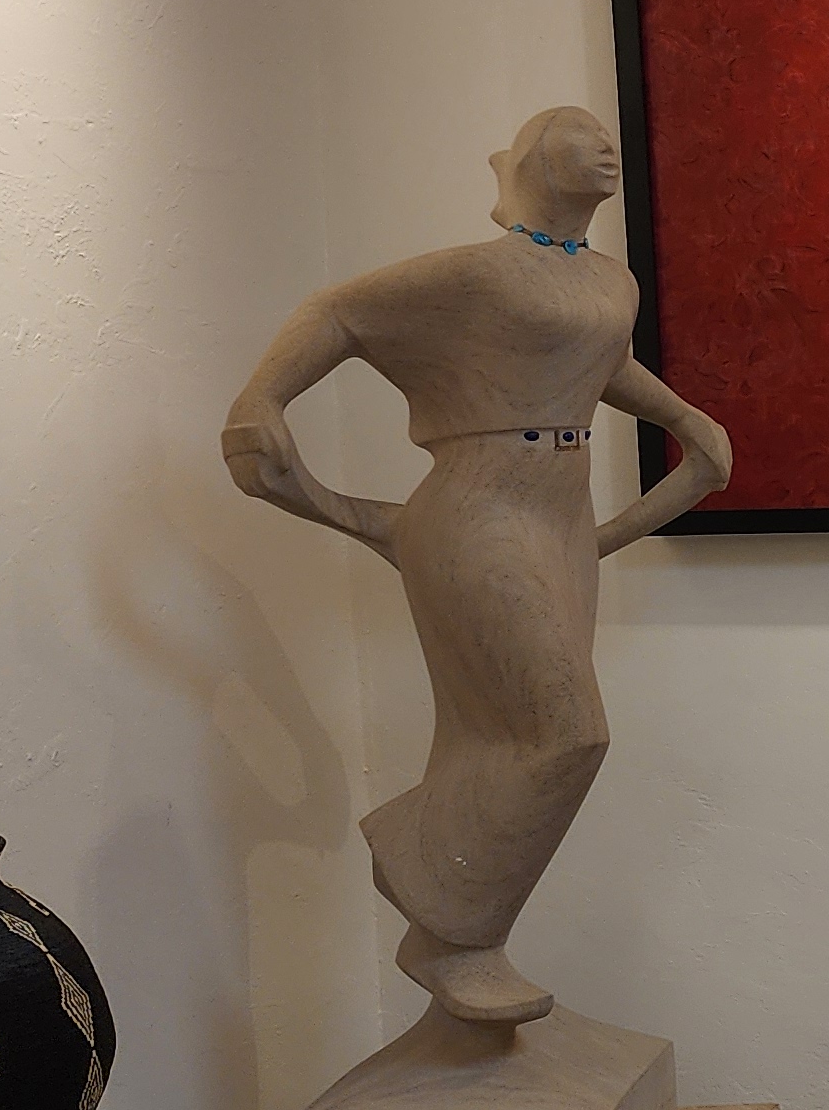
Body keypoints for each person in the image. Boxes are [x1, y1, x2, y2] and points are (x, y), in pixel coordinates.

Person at [222, 108, 732, 1027]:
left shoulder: (610, 280)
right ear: (531, 160)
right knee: (568, 732)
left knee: (488, 732)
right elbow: (336, 311)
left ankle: (459, 925)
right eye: (576, 131)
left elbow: (600, 363)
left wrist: (687, 424)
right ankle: (448, 931)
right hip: (479, 506)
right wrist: (261, 400)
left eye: (605, 133)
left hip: (559, 515)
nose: (603, 144)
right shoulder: (476, 273)